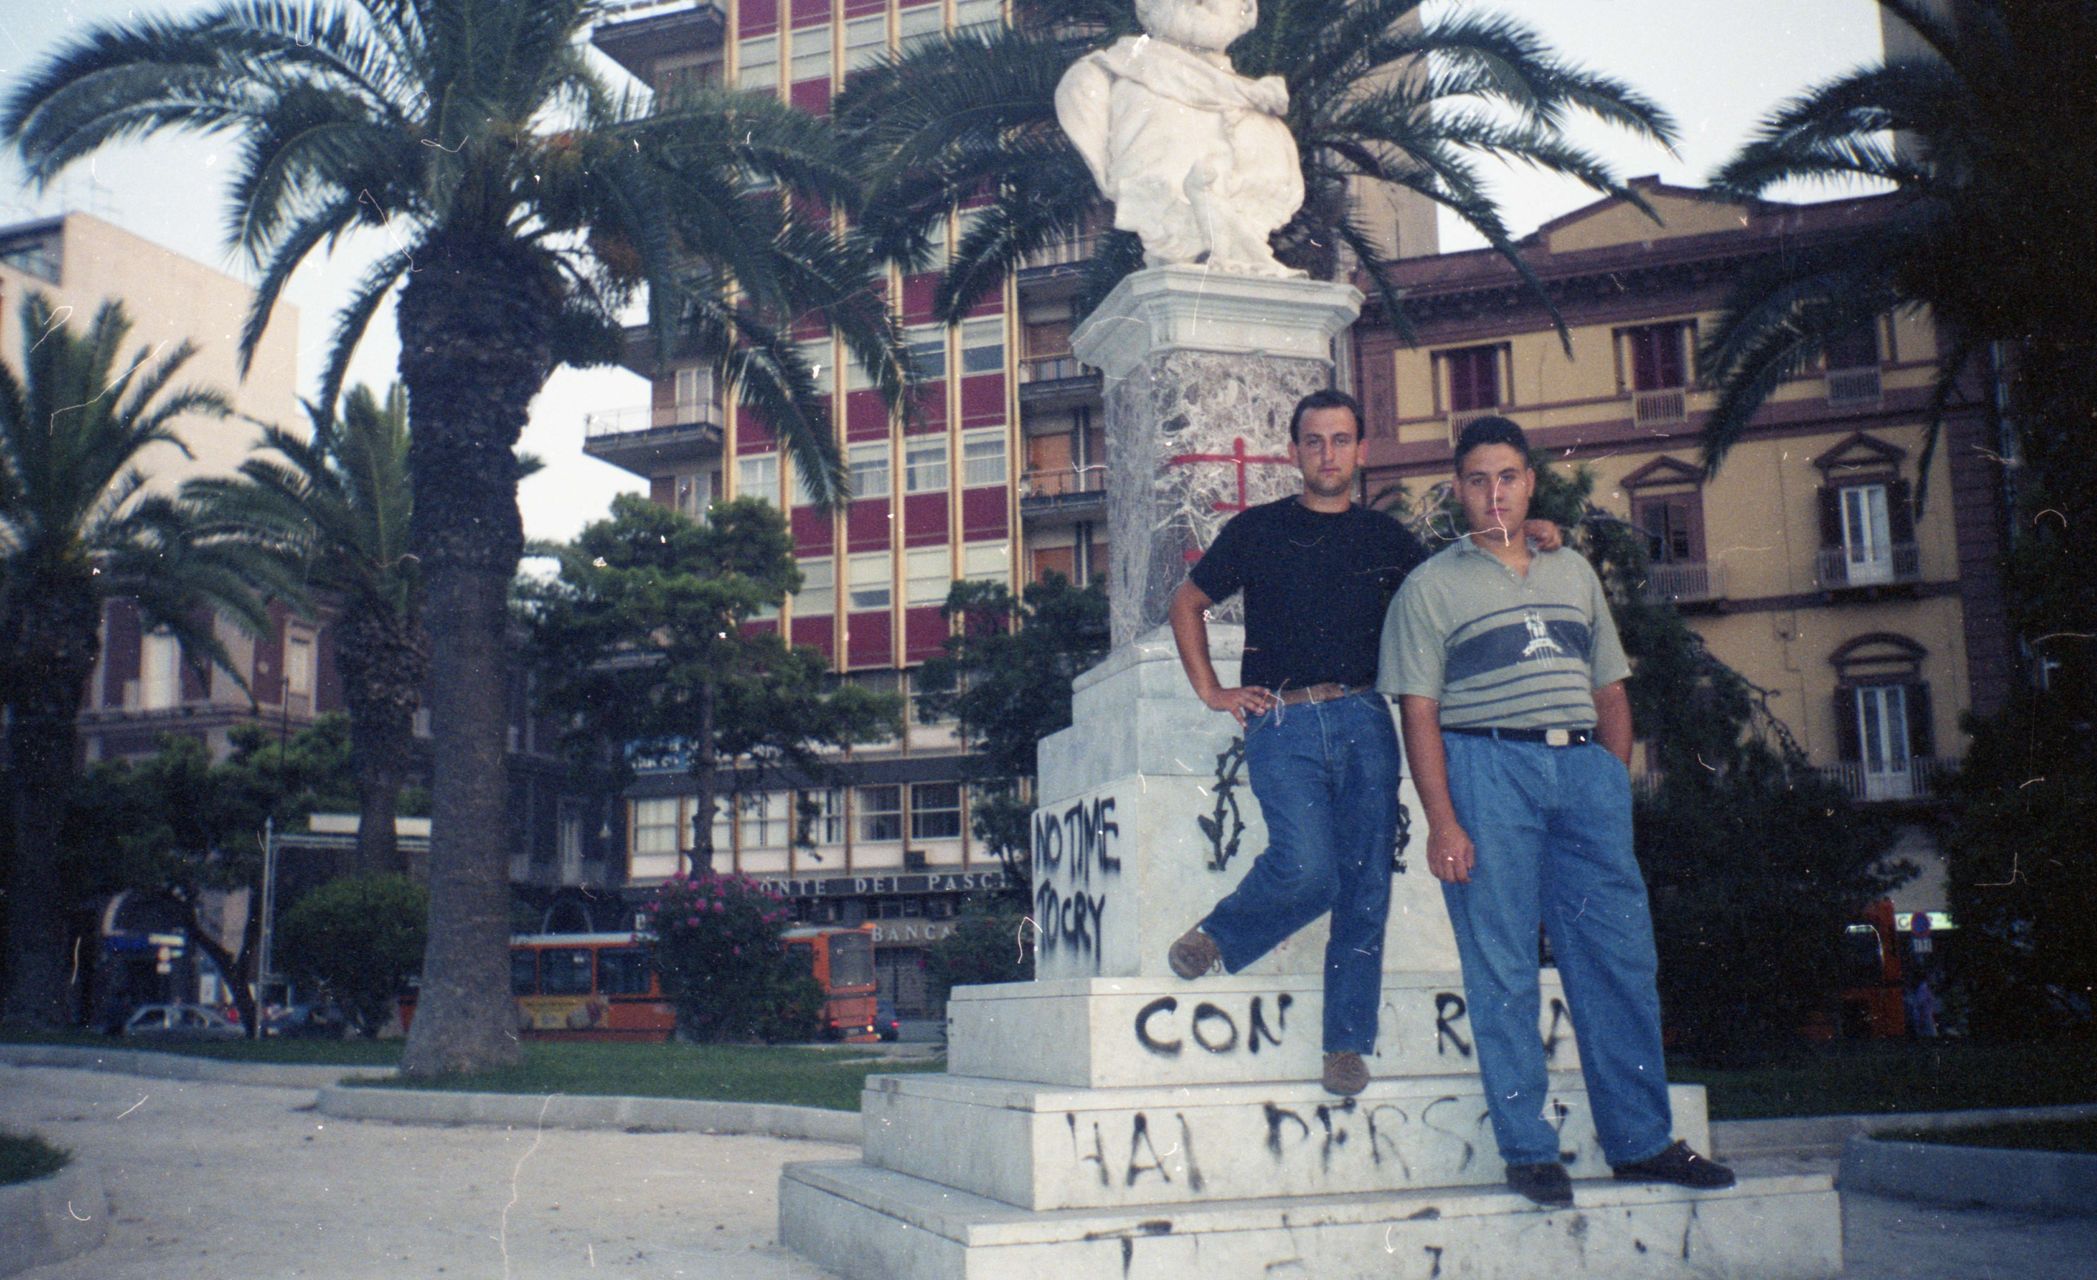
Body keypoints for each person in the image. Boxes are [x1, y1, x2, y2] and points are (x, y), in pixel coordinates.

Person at [1378, 415, 1734, 1208]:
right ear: (1457, 490)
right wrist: (1442, 820)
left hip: (1581, 771)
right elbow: (1418, 713)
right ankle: (1529, 1150)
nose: (1494, 494)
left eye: (1506, 477)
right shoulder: (1429, 587)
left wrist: (1605, 776)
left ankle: (1640, 1141)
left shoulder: (1571, 571)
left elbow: (1609, 687)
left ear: (1529, 482)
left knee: (1617, 959)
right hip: (1485, 768)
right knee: (1502, 965)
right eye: (1477, 480)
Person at [1164, 389, 1558, 1097]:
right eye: (1314, 441)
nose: (1327, 454)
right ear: (1294, 451)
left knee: (1365, 888)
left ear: (1361, 451)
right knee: (1308, 870)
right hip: (1282, 720)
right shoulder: (1257, 530)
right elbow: (1187, 602)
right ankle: (1222, 934)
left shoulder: (1386, 540)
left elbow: (1457, 574)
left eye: (1341, 440)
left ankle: (1345, 1046)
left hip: (1365, 719)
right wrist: (1213, 691)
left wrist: (1524, 532)